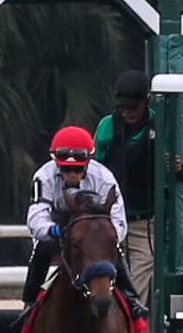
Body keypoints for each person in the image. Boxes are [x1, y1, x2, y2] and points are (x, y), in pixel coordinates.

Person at [23, 126, 138, 314]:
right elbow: (36, 217)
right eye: (66, 169)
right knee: (42, 248)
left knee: (114, 250)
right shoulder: (43, 176)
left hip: (94, 236)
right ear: (56, 163)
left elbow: (119, 222)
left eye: (77, 169)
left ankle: (131, 298)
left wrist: (104, 237)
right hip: (59, 234)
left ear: (88, 162)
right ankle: (29, 301)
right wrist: (54, 231)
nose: (71, 175)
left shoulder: (105, 178)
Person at [93, 69, 183, 301]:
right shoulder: (107, 127)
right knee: (104, 283)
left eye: (132, 107)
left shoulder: (162, 123)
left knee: (139, 289)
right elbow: (94, 170)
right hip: (110, 221)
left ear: (147, 101)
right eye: (122, 107)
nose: (127, 112)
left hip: (145, 224)